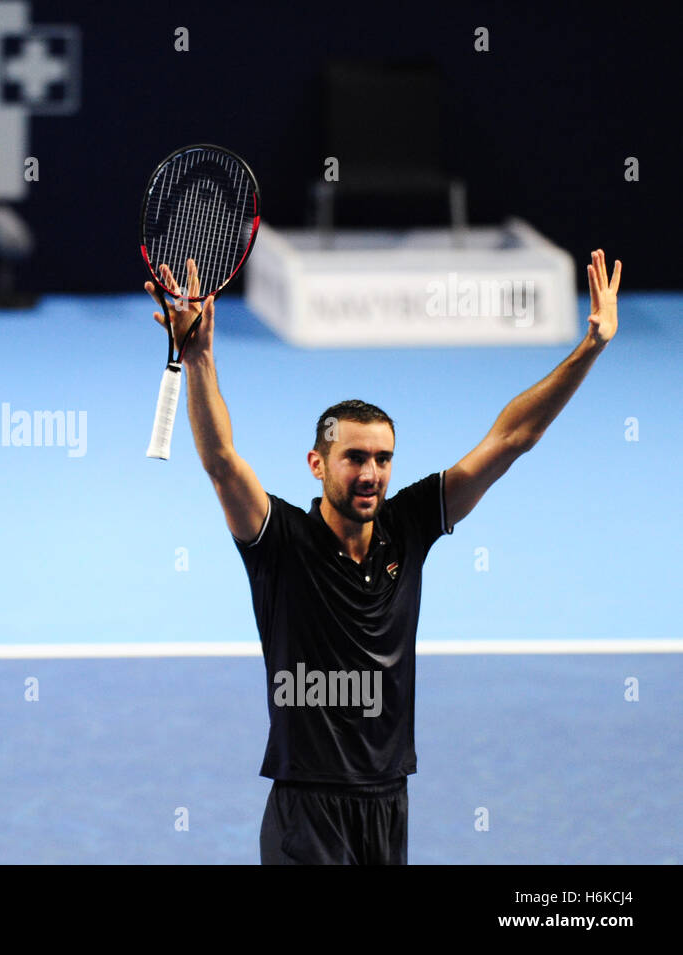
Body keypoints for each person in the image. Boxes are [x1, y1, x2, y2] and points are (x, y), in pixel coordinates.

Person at [144, 250, 622, 864]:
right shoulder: (279, 541)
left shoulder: (411, 525)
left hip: (388, 800)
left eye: (383, 459)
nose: (371, 473)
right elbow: (220, 460)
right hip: (307, 807)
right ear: (318, 464)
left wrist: (590, 348)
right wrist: (202, 357)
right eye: (355, 458)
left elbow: (511, 439)